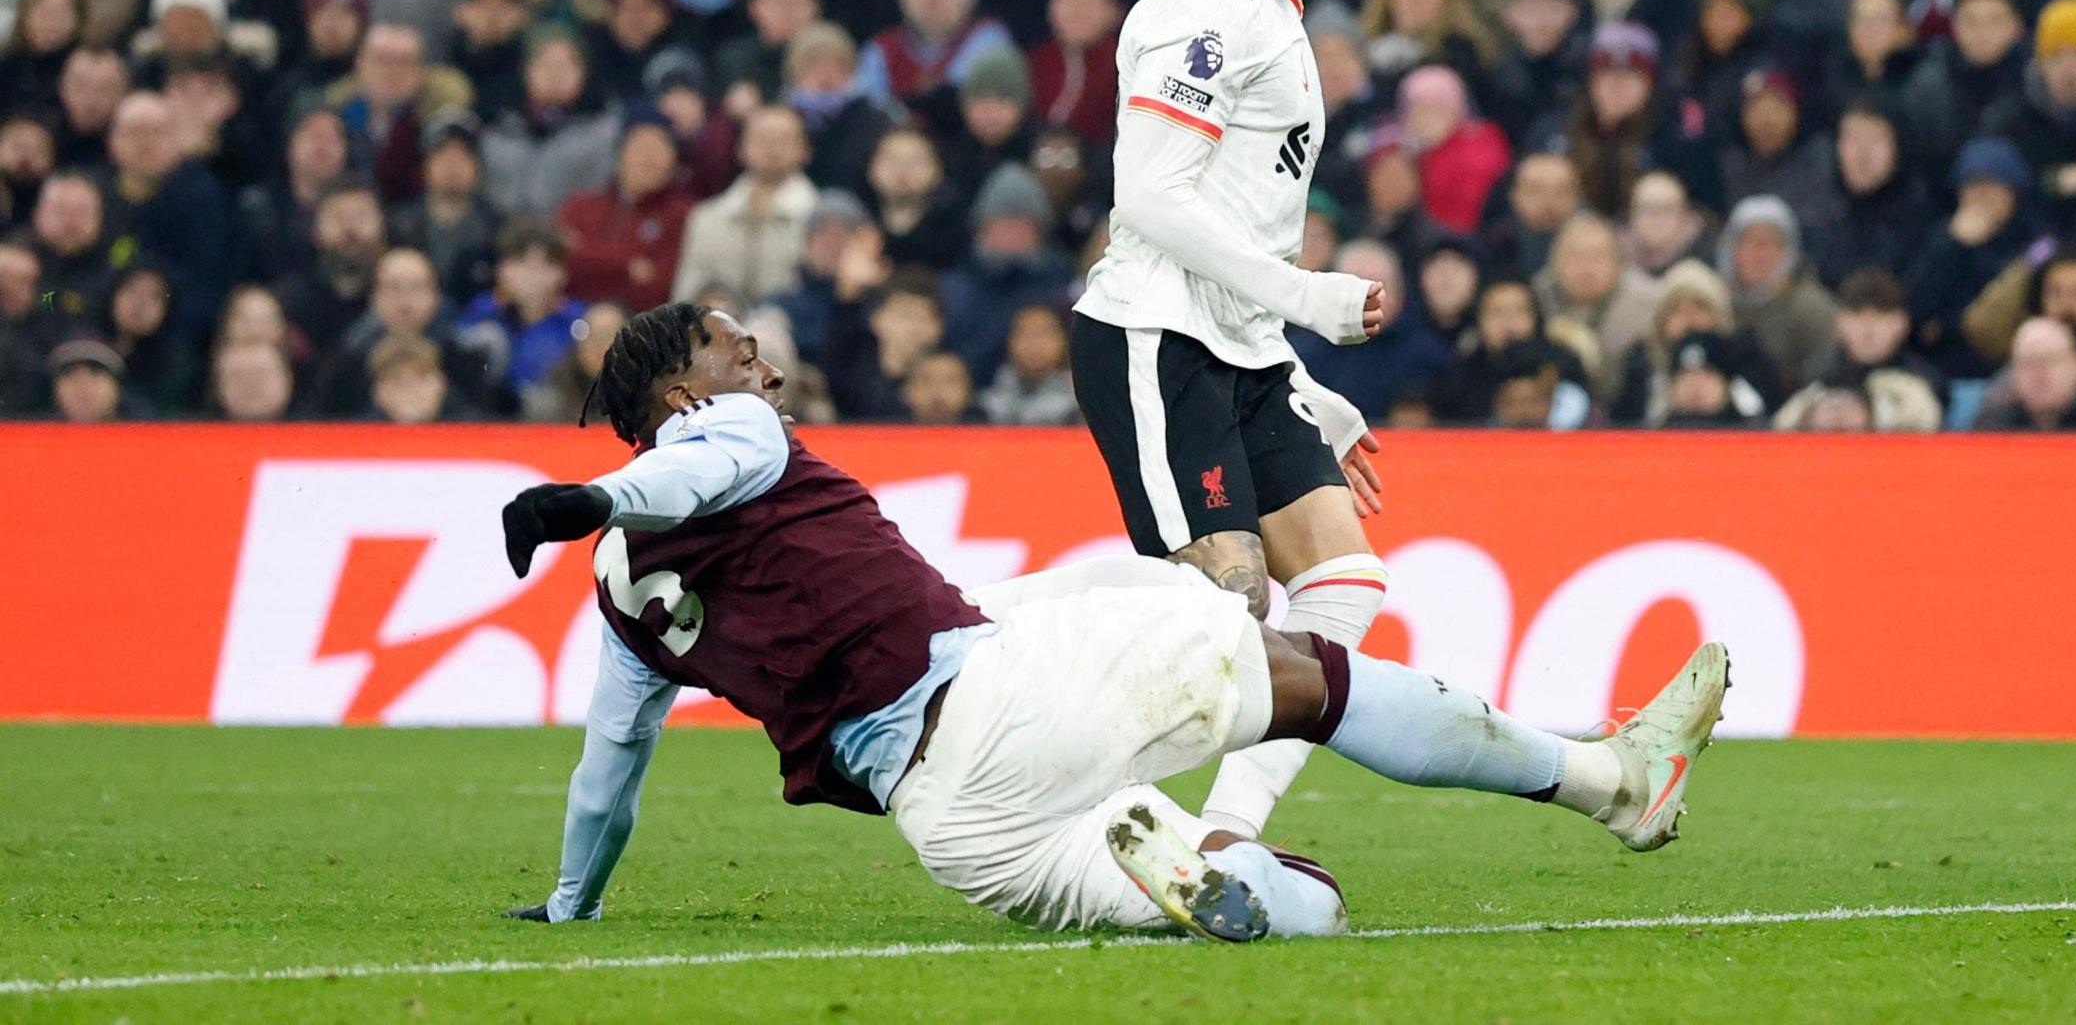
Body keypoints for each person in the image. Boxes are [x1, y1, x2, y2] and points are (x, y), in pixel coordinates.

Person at [496, 302, 1728, 940]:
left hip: (951, 831)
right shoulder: (729, 435)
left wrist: (571, 902)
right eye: (737, 349)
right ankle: (1612, 780)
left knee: (1309, 900)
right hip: (988, 702)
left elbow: (612, 767)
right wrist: (595, 491)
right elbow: (682, 474)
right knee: (1304, 669)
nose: (765, 367)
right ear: (680, 391)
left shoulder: (619, 594)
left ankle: (1204, 866)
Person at [1066, 0, 1422, 846]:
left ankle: (1223, 833)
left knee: (1346, 579)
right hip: (1155, 335)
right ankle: (1021, 752)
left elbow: (1236, 227)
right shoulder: (1207, 4)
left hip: (1238, 348)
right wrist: (1309, 300)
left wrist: (1307, 387)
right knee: (1226, 613)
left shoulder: (1278, 10)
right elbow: (1151, 198)